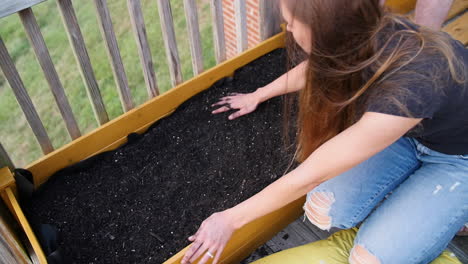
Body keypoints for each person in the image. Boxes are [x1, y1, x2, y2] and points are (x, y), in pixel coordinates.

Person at [182, 0, 468, 263]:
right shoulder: (366, 31)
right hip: (409, 136)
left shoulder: (412, 84)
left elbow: (312, 174)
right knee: (324, 209)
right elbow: (318, 67)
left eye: (292, 23)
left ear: (325, 32)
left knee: (368, 259)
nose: (288, 29)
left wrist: (230, 220)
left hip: (458, 160)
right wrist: (258, 94)